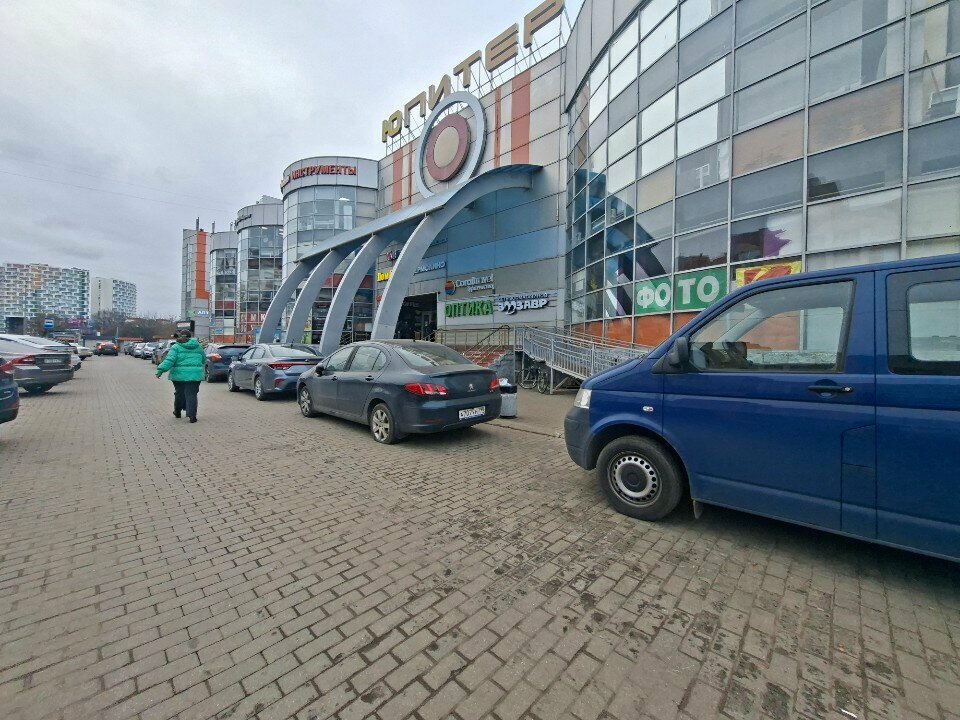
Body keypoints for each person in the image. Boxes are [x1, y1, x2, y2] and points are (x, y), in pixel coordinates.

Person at [155, 330, 205, 423]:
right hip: (195, 374)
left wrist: (160, 370)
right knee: (191, 394)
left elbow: (169, 360)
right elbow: (203, 360)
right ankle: (192, 416)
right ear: (191, 337)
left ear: (180, 336)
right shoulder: (198, 347)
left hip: (179, 375)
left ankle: (177, 412)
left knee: (179, 393)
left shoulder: (176, 347)